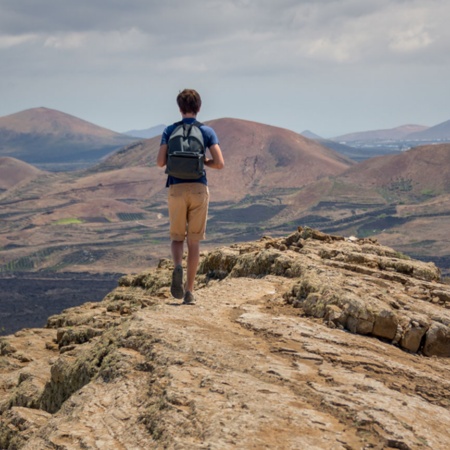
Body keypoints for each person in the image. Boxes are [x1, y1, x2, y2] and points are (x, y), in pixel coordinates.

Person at [157, 89, 224, 305]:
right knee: (193, 242)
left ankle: (177, 265)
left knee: (177, 237)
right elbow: (220, 163)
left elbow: (160, 162)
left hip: (176, 188)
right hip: (198, 188)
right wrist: (203, 162)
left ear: (179, 108)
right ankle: (189, 291)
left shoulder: (169, 130)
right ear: (199, 107)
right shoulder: (207, 131)